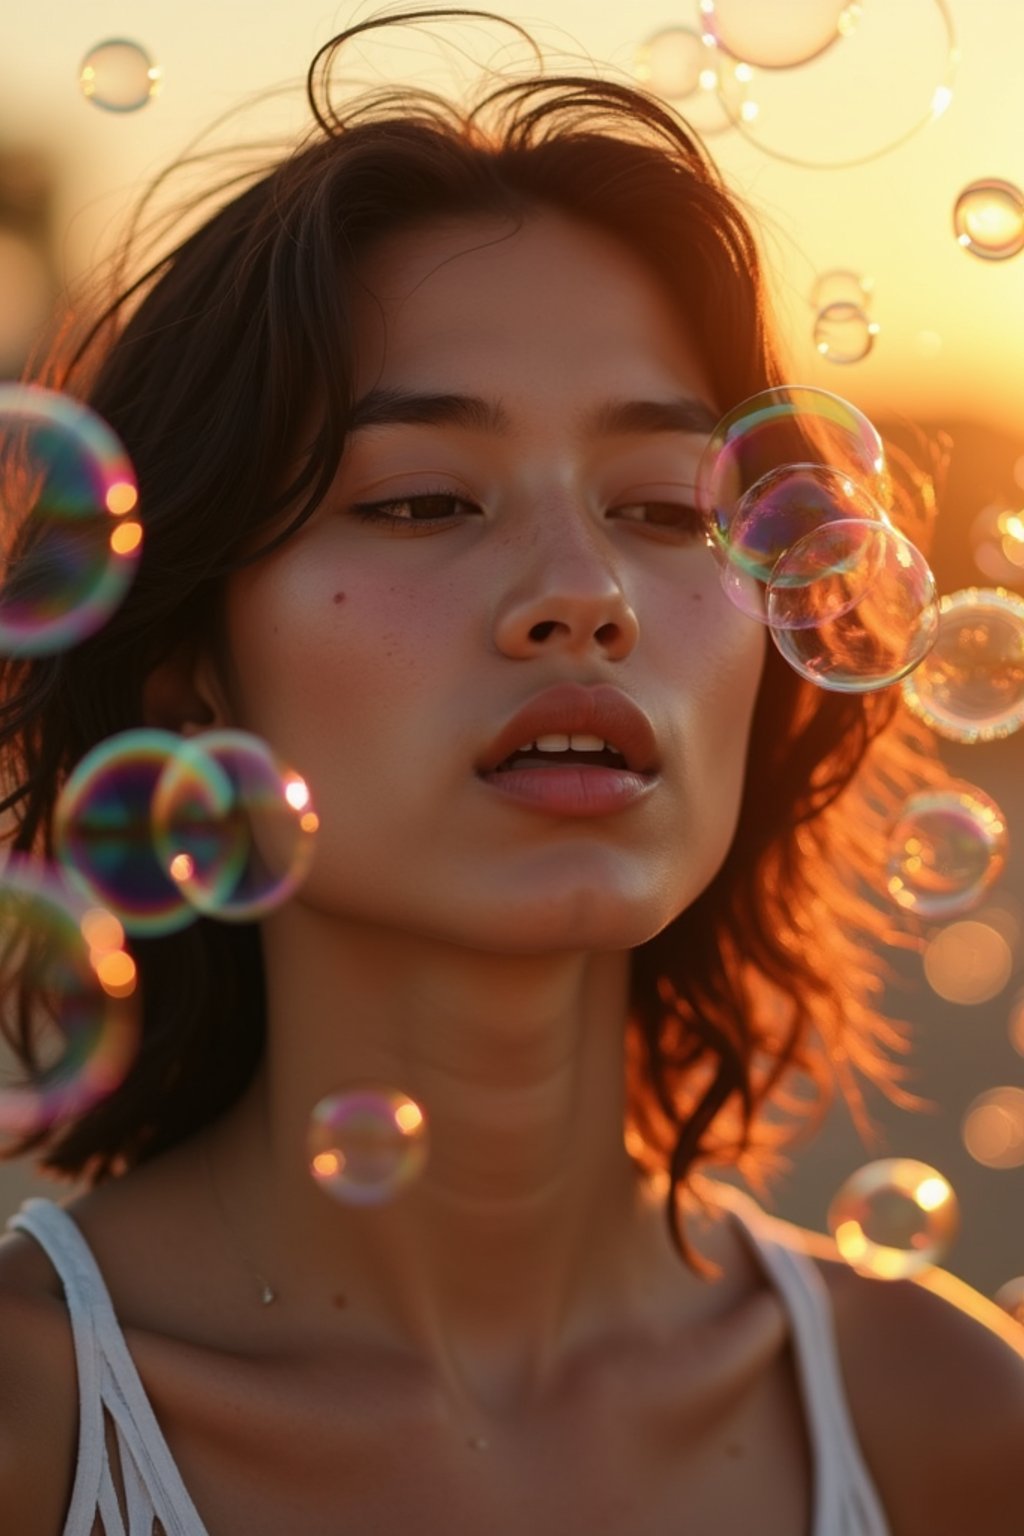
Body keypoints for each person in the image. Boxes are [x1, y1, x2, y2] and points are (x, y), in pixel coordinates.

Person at [0, 8, 1022, 1534]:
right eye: (422, 502)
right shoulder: (31, 1426)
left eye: (672, 510)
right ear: (189, 671)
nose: (584, 590)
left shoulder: (947, 1421)